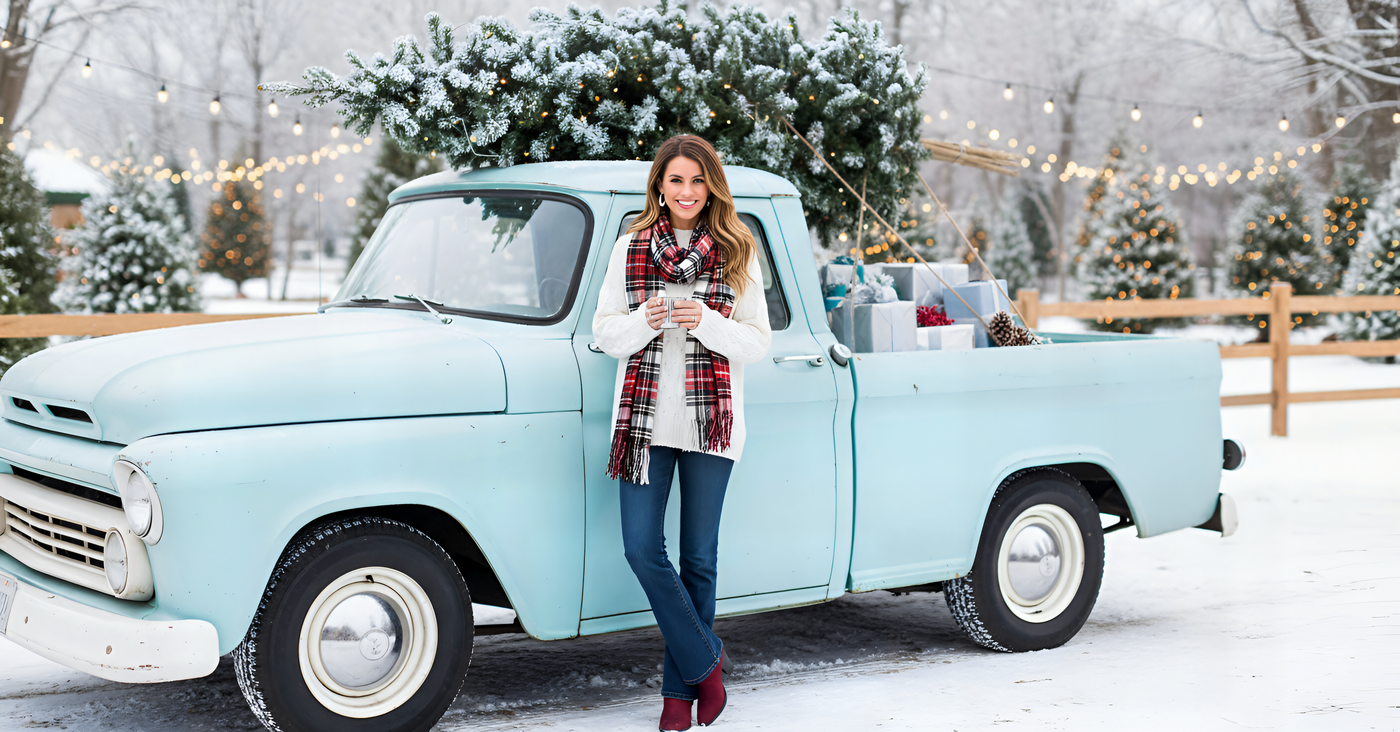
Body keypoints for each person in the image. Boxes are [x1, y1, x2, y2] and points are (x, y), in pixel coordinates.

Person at [592, 135, 772, 730]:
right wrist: (646, 317)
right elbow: (604, 333)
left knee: (699, 559)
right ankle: (707, 661)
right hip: (644, 425)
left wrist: (712, 323)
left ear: (710, 185)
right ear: (659, 186)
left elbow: (758, 342)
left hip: (710, 423)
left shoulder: (736, 249)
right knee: (642, 549)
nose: (687, 192)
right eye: (676, 180)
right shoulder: (630, 248)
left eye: (697, 180)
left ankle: (677, 698)